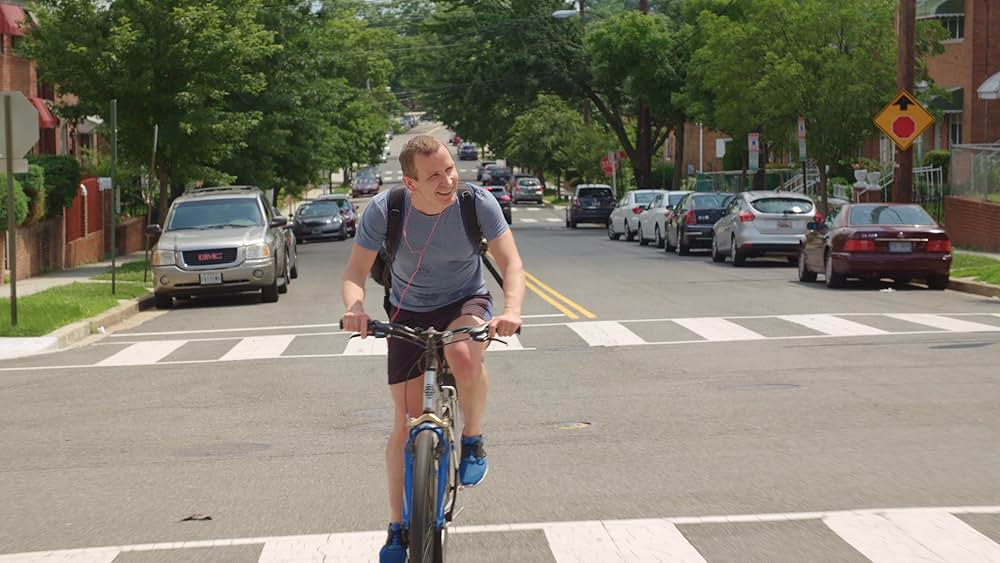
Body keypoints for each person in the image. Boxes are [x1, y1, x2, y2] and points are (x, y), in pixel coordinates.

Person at [340, 135, 525, 563]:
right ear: (410, 182)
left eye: (449, 169)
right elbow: (354, 272)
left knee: (462, 353)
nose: (447, 181)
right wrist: (355, 309)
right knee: (404, 422)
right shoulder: (387, 211)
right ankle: (397, 527)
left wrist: (510, 310)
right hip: (407, 309)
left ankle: (473, 437)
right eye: (435, 176)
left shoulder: (475, 203)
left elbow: (512, 263)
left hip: (465, 301)